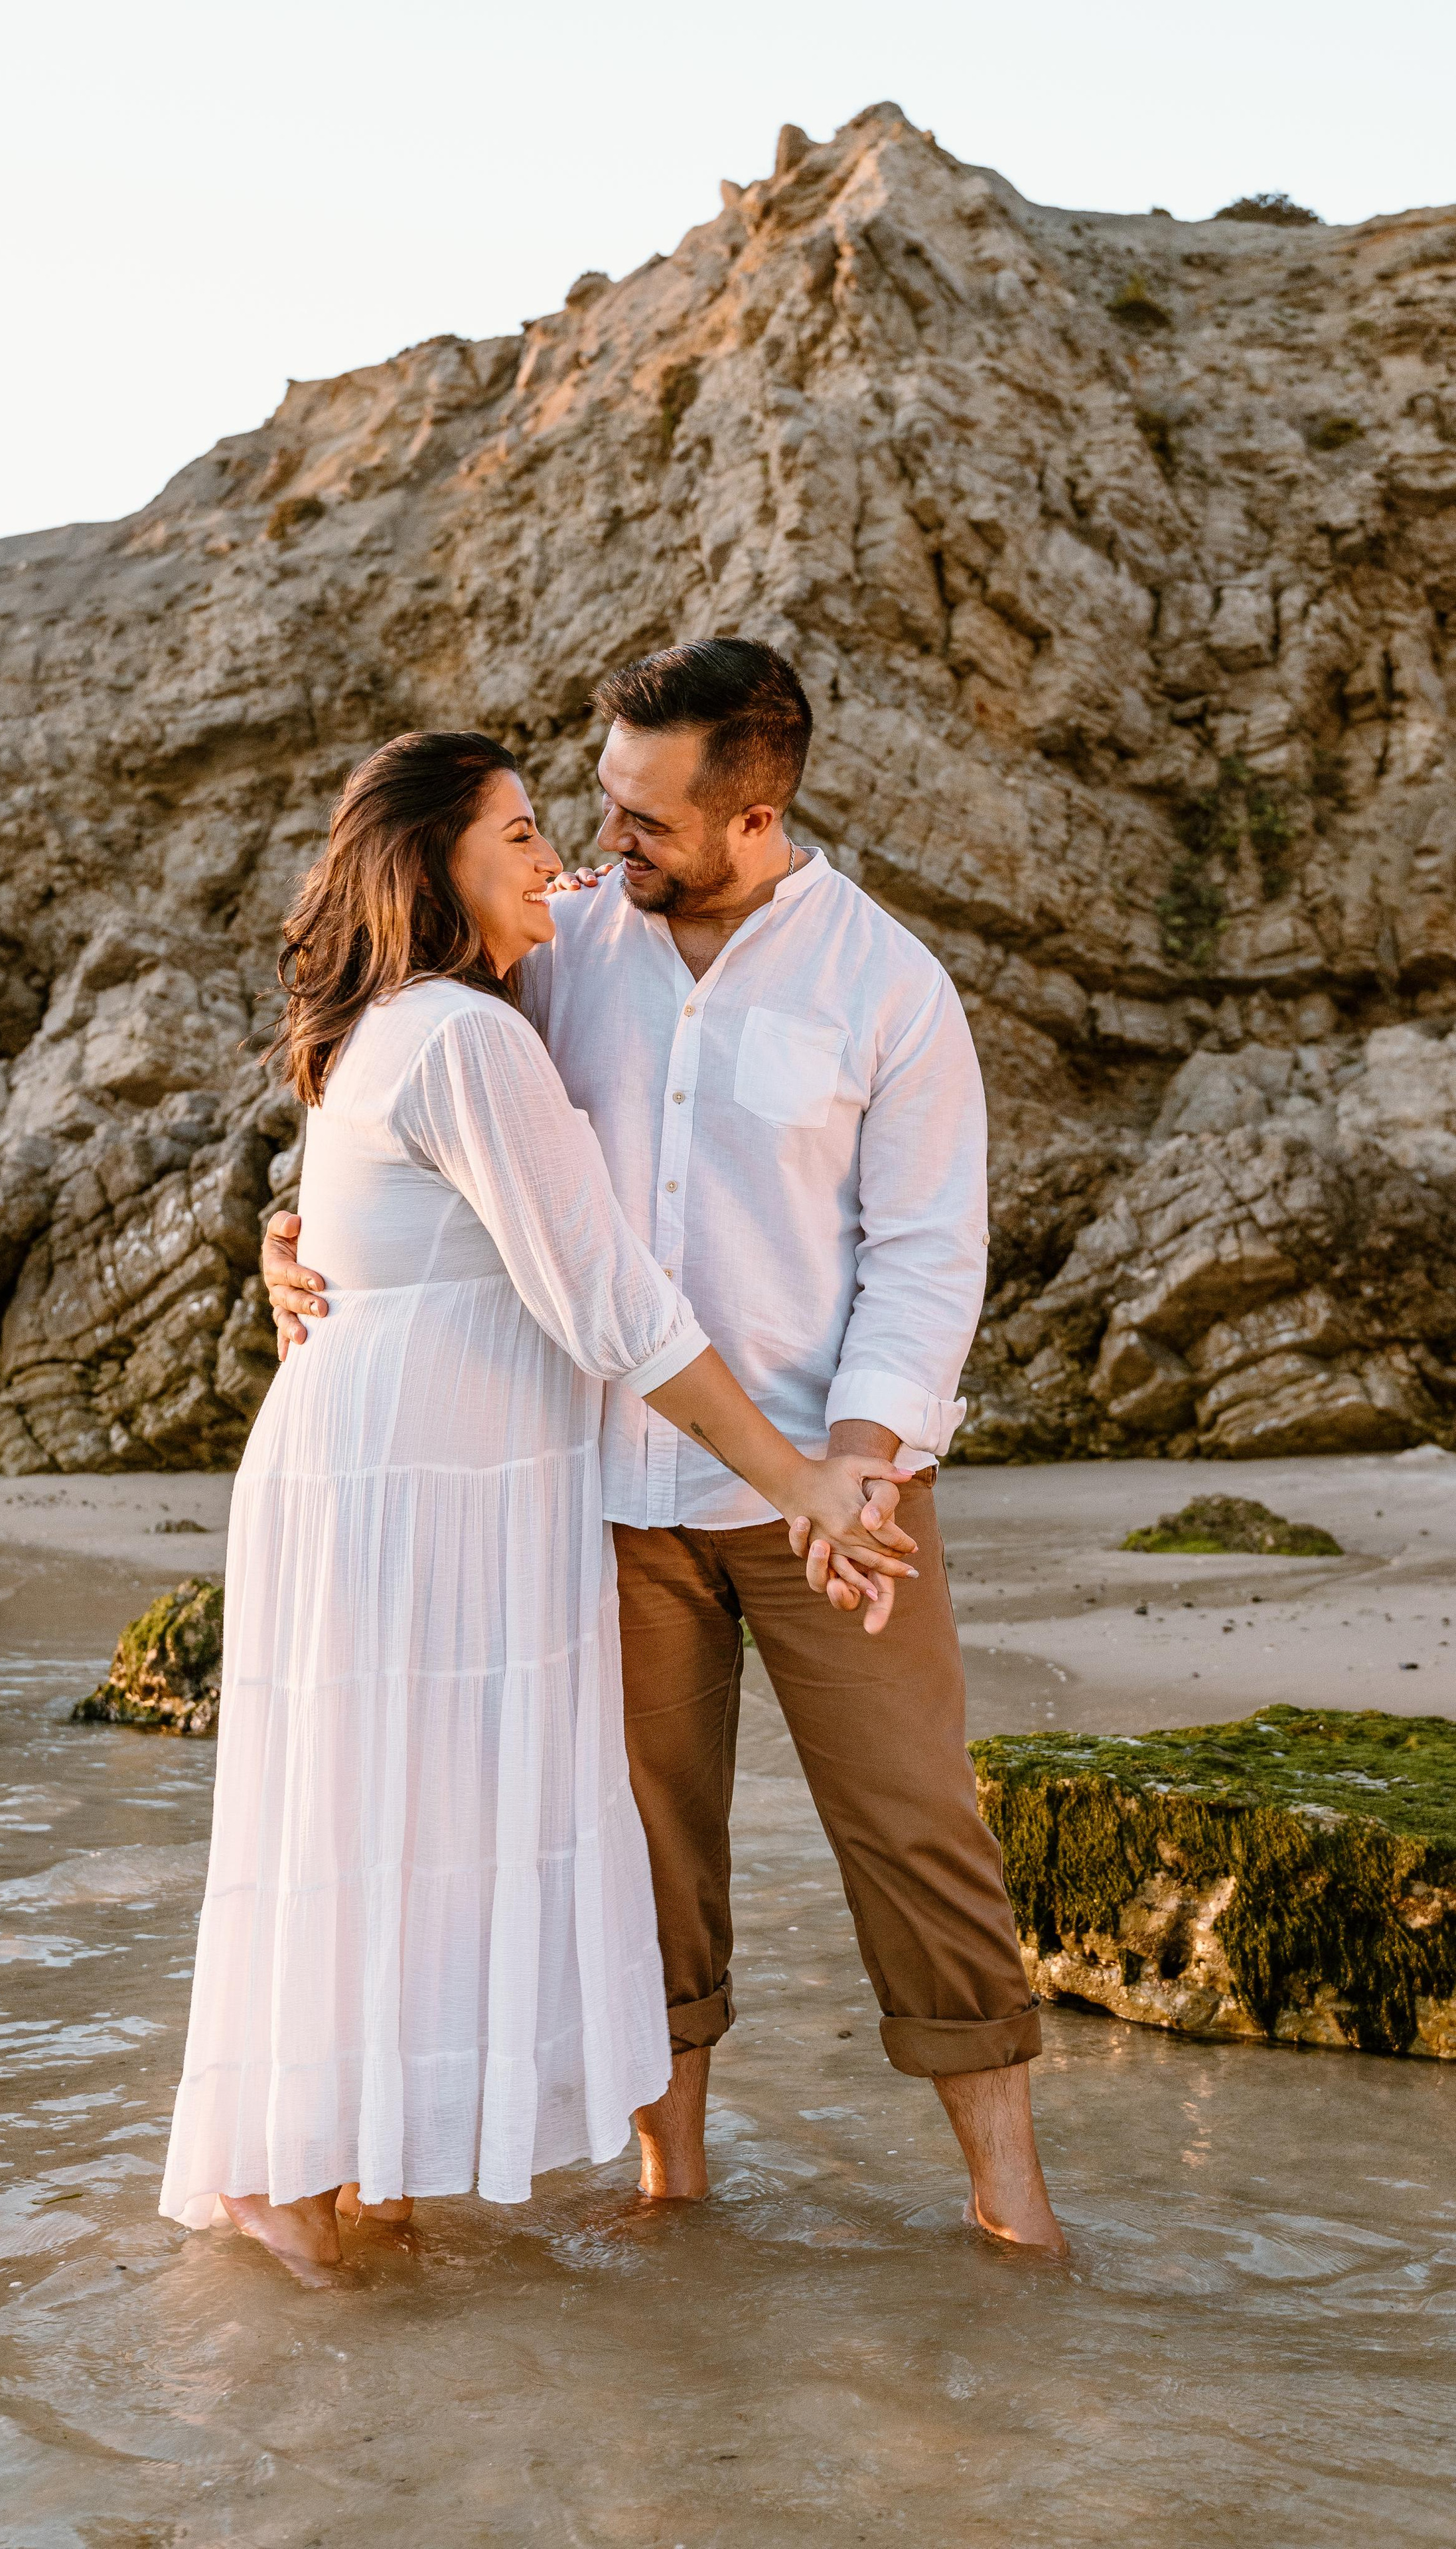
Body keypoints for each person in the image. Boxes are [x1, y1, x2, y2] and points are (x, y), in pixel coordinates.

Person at [263, 643, 1066, 2252]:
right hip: (601, 1494)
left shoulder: (887, 987)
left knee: (914, 1828)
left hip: (832, 1492)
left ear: (753, 813)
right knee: (640, 1858)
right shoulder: (559, 961)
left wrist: (844, 1470)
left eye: (640, 816)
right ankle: (669, 2191)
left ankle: (1012, 2209)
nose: (593, 844)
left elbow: (924, 1255)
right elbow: (406, 1121)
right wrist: (292, 1235)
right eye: (593, 800)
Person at [159, 728, 913, 2276]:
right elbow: (613, 1311)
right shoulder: (464, 1038)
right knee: (405, 1819)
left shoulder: (398, 1022)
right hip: (428, 1482)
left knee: (377, 1820)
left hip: (388, 1462)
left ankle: (340, 2177)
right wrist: (799, 1487)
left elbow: (381, 1225)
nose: (548, 856)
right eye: (513, 833)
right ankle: (310, 2190)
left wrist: (282, 1242)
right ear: (433, 862)